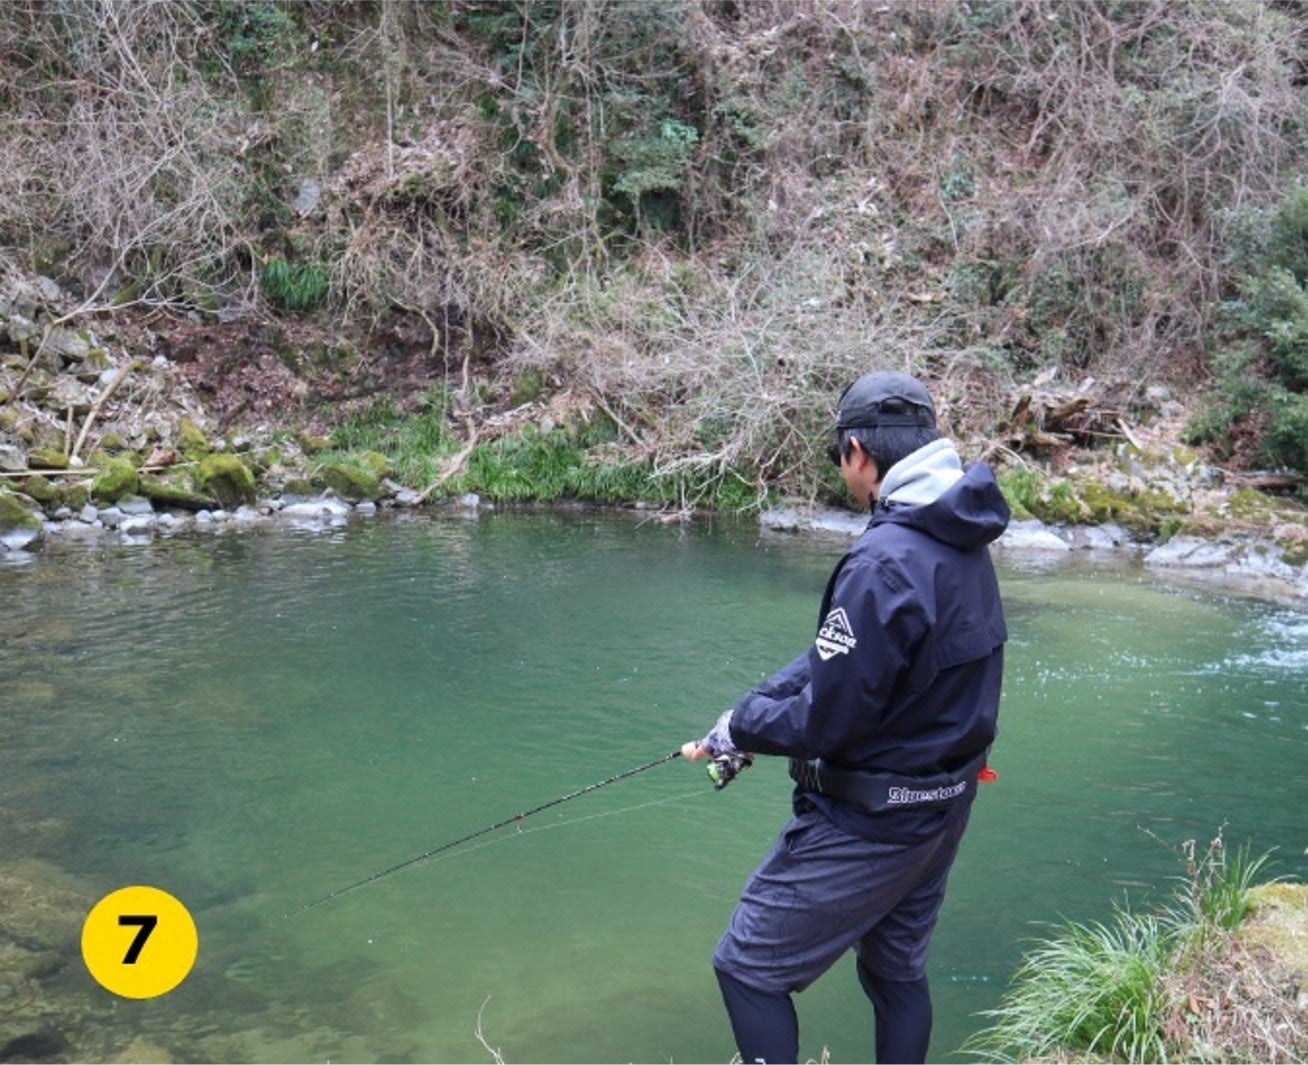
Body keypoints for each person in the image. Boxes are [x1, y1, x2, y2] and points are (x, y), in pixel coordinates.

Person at [681, 369, 1009, 1064]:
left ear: (858, 451)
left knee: (748, 967)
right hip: (943, 807)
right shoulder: (961, 536)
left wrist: (740, 732)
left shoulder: (883, 561)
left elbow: (827, 718)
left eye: (843, 463)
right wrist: (742, 714)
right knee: (895, 974)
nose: (847, 479)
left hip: (871, 820)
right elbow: (842, 665)